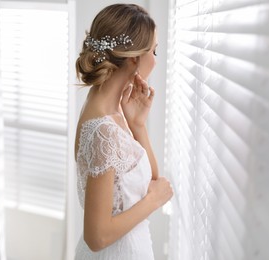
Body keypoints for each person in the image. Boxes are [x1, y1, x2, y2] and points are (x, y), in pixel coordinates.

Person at [73, 4, 173, 260]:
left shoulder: (111, 109)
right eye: (154, 51)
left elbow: (149, 181)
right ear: (134, 58)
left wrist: (138, 125)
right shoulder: (102, 130)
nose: (156, 59)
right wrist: (153, 201)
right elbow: (97, 236)